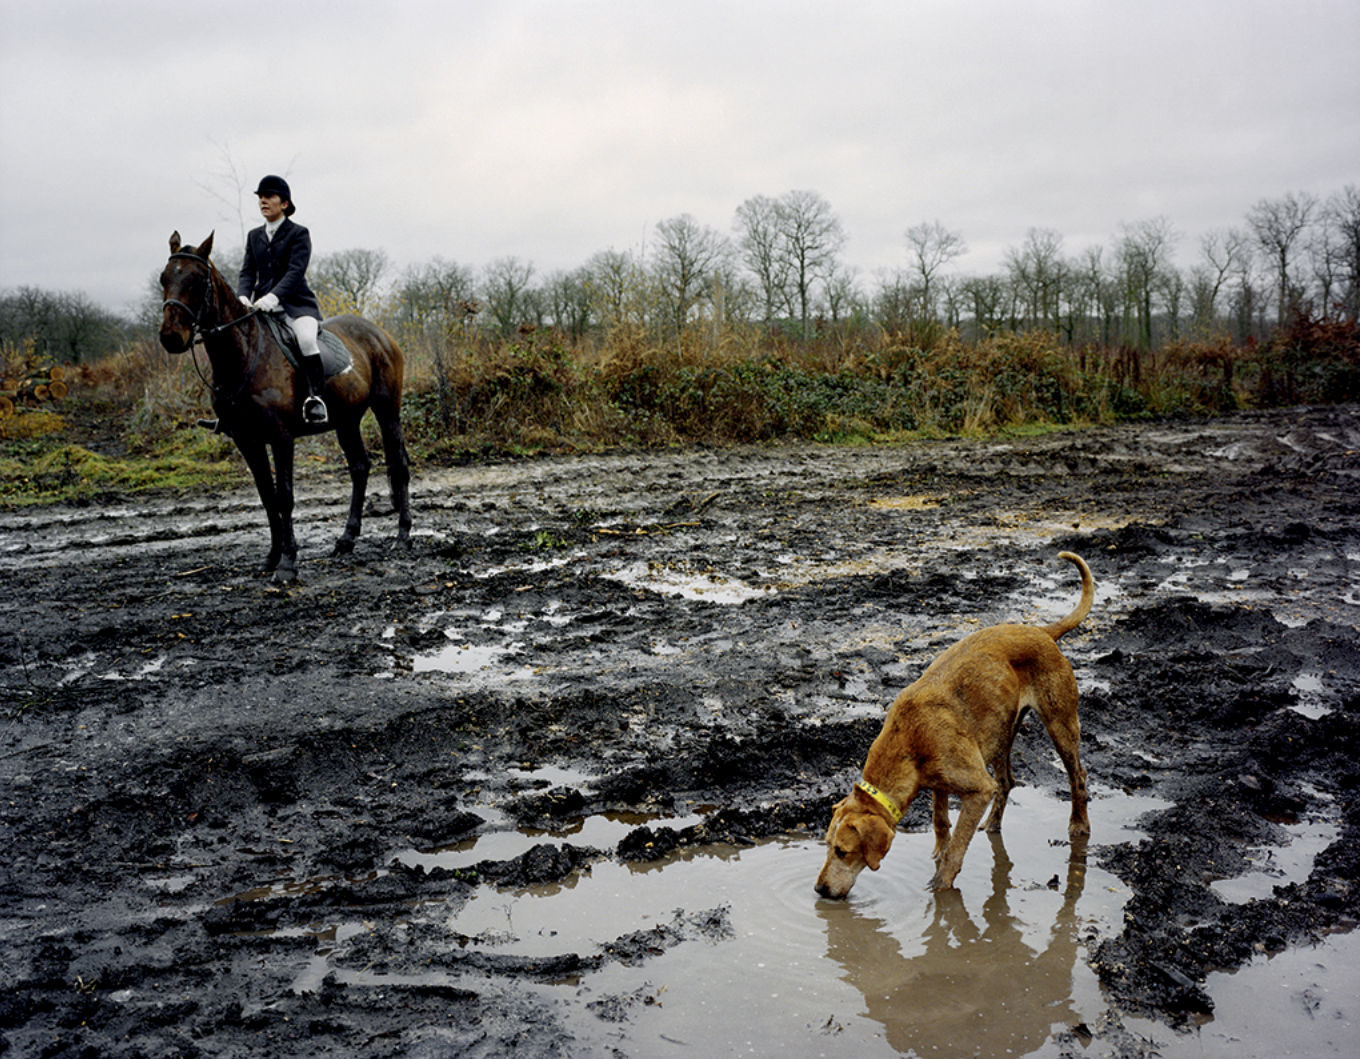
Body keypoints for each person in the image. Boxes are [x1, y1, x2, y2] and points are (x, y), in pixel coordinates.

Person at [236, 175, 329, 424]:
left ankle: (315, 399)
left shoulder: (298, 233)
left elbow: (295, 272)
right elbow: (247, 271)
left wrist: (274, 296)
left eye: (269, 197)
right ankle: (234, 406)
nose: (263, 201)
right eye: (260, 197)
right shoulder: (254, 236)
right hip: (260, 307)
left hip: (296, 305)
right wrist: (243, 295)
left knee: (307, 340)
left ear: (284, 203)